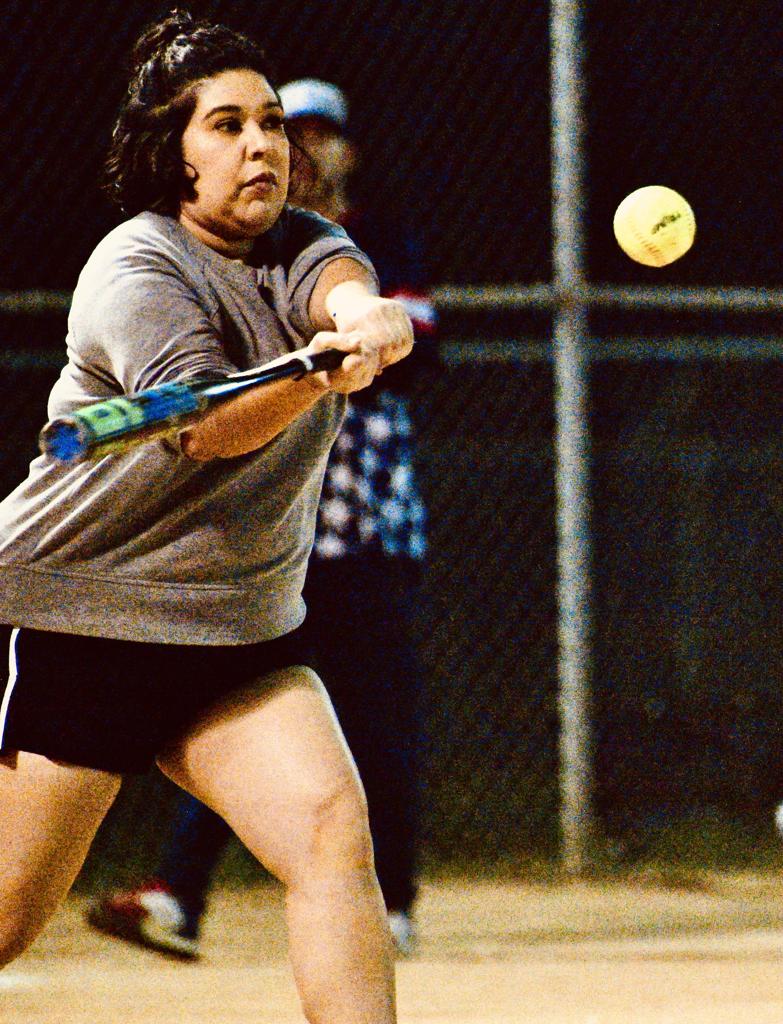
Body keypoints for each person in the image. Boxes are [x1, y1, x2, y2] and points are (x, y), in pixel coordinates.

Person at [0, 13, 414, 1024]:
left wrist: (359, 322)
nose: (262, 145)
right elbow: (213, 429)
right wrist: (316, 376)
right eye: (226, 126)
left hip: (234, 631)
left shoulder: (307, 241)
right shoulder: (136, 270)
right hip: (83, 621)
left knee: (329, 831)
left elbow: (338, 284)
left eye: (269, 122)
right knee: (6, 919)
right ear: (170, 153)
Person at [85, 77, 436, 960]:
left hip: (362, 522)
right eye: (291, 130)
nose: (302, 148)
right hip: (274, 519)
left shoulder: (369, 239)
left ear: (346, 149)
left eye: (314, 131)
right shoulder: (245, 250)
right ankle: (179, 895)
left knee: (374, 716)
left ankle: (391, 903)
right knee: (242, 708)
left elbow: (419, 341)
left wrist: (365, 333)